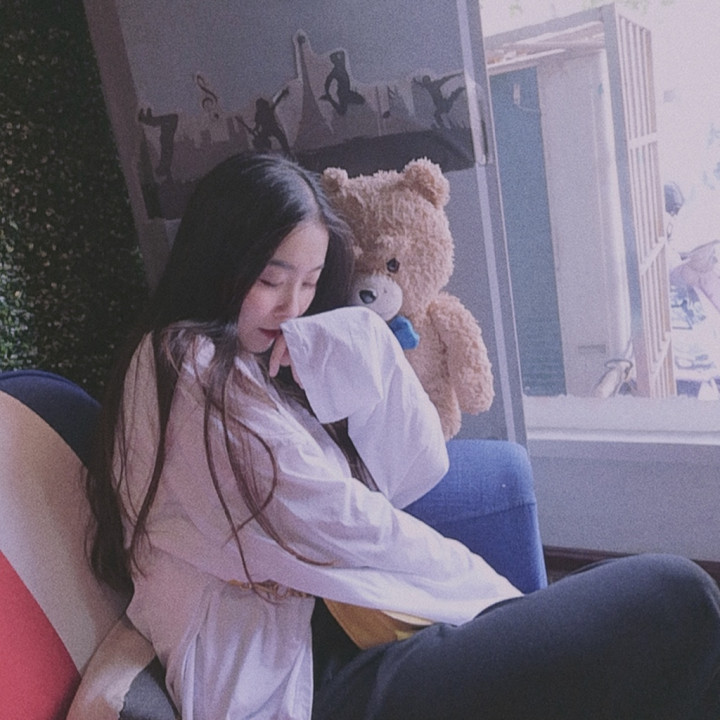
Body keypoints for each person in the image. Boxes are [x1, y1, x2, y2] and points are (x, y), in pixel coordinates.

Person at [86, 151, 720, 720]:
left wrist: (356, 338)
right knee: (674, 596)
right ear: (219, 262)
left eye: (309, 283)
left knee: (658, 628)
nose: (292, 307)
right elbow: (328, 520)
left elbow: (412, 464)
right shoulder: (180, 365)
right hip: (303, 682)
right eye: (271, 281)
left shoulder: (258, 361)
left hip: (355, 633)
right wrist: (486, 594)